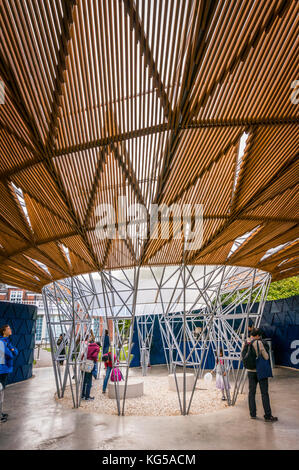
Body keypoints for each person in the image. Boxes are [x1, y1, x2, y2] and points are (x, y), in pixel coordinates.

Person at [242, 328, 278, 422]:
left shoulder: (245, 342)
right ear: (257, 335)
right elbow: (266, 356)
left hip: (250, 371)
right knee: (264, 393)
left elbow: (243, 355)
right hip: (260, 371)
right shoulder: (259, 343)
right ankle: (268, 415)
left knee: (251, 393)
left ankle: (252, 414)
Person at [0, 324, 18, 423]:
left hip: (4, 370)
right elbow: (10, 355)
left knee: (1, 392)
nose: (10, 330)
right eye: (8, 328)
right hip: (1, 370)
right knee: (0, 392)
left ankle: (0, 412)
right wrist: (12, 350)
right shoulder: (1, 342)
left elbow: (16, 352)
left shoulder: (6, 341)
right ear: (3, 331)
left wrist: (12, 350)